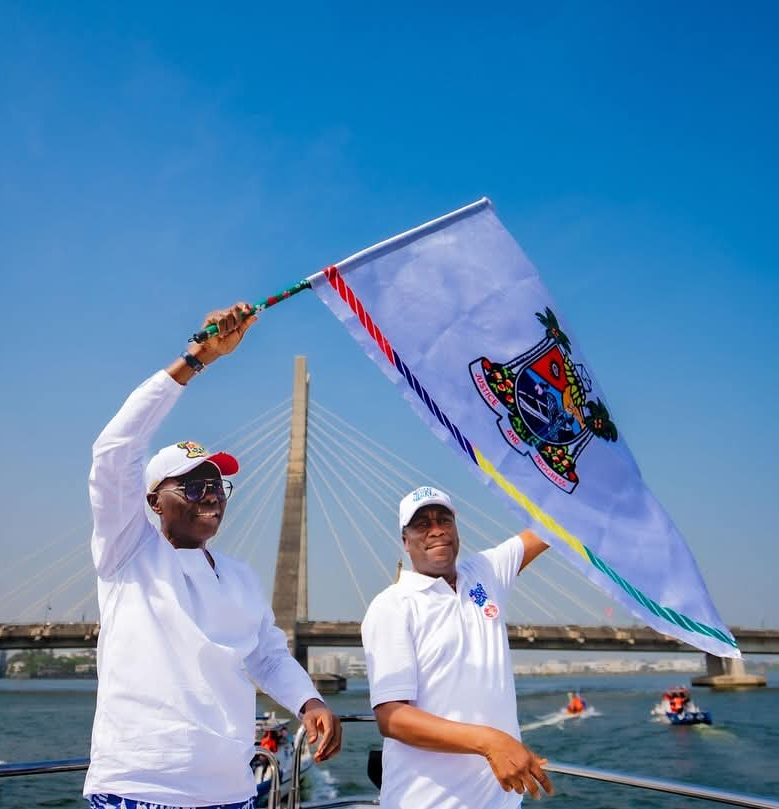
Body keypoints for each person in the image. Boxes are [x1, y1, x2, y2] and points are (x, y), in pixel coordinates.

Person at [83, 303, 341, 809]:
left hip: (233, 792)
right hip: (140, 790)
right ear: (154, 500)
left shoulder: (239, 578)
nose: (212, 496)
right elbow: (115, 449)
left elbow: (267, 654)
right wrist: (196, 360)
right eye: (193, 485)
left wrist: (309, 700)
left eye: (218, 485)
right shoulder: (128, 553)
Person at [362, 485, 554, 808]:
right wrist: (489, 742)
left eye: (444, 520)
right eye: (422, 525)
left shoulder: (483, 574)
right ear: (405, 542)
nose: (436, 531)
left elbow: (553, 527)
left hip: (501, 802)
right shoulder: (392, 607)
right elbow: (392, 717)